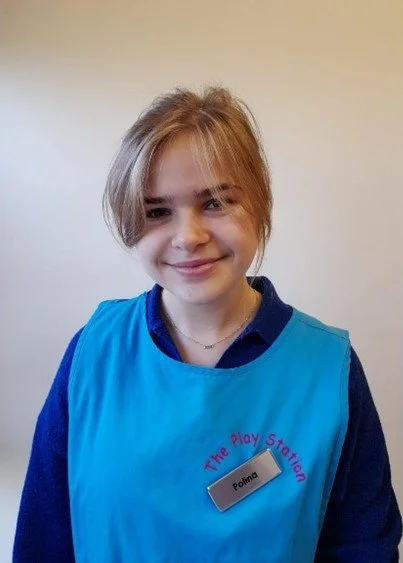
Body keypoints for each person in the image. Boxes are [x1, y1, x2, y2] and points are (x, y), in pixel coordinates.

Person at [13, 86, 401, 562]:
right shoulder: (93, 352)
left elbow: (364, 547)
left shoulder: (328, 367)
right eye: (157, 211)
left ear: (259, 203)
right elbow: (43, 539)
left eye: (215, 202)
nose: (188, 236)